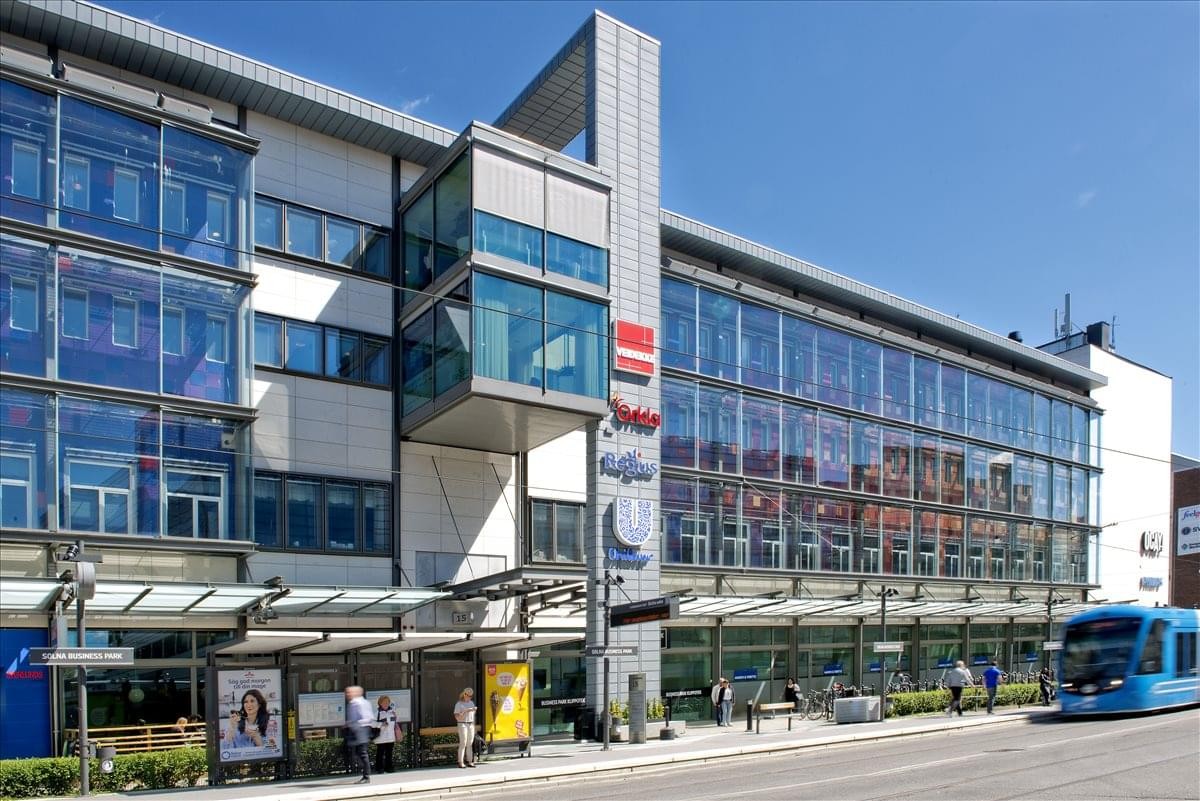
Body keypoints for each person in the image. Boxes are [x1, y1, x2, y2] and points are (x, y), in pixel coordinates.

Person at [344, 686, 373, 784]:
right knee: (359, 753)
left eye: (349, 692)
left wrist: (352, 724)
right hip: (359, 731)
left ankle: (366, 776)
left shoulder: (357, 703)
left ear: (356, 693)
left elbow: (366, 718)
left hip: (359, 731)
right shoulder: (364, 702)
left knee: (362, 754)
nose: (347, 694)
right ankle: (365, 774)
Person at [372, 694, 399, 773]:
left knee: (389, 753)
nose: (386, 703)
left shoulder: (392, 712)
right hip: (381, 737)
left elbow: (395, 722)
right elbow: (372, 723)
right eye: (384, 702)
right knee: (380, 753)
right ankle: (379, 768)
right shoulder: (377, 713)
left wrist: (396, 716)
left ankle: (389, 768)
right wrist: (381, 724)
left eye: (387, 702)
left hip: (390, 736)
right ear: (380, 703)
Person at [453, 688, 477, 769]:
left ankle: (470, 761)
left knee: (470, 743)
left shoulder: (471, 703)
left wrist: (473, 710)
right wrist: (466, 711)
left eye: (471, 696)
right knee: (463, 742)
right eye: (468, 695)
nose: (470, 697)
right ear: (464, 695)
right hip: (462, 724)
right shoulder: (459, 704)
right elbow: (457, 717)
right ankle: (461, 762)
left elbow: (473, 715)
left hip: (470, 724)